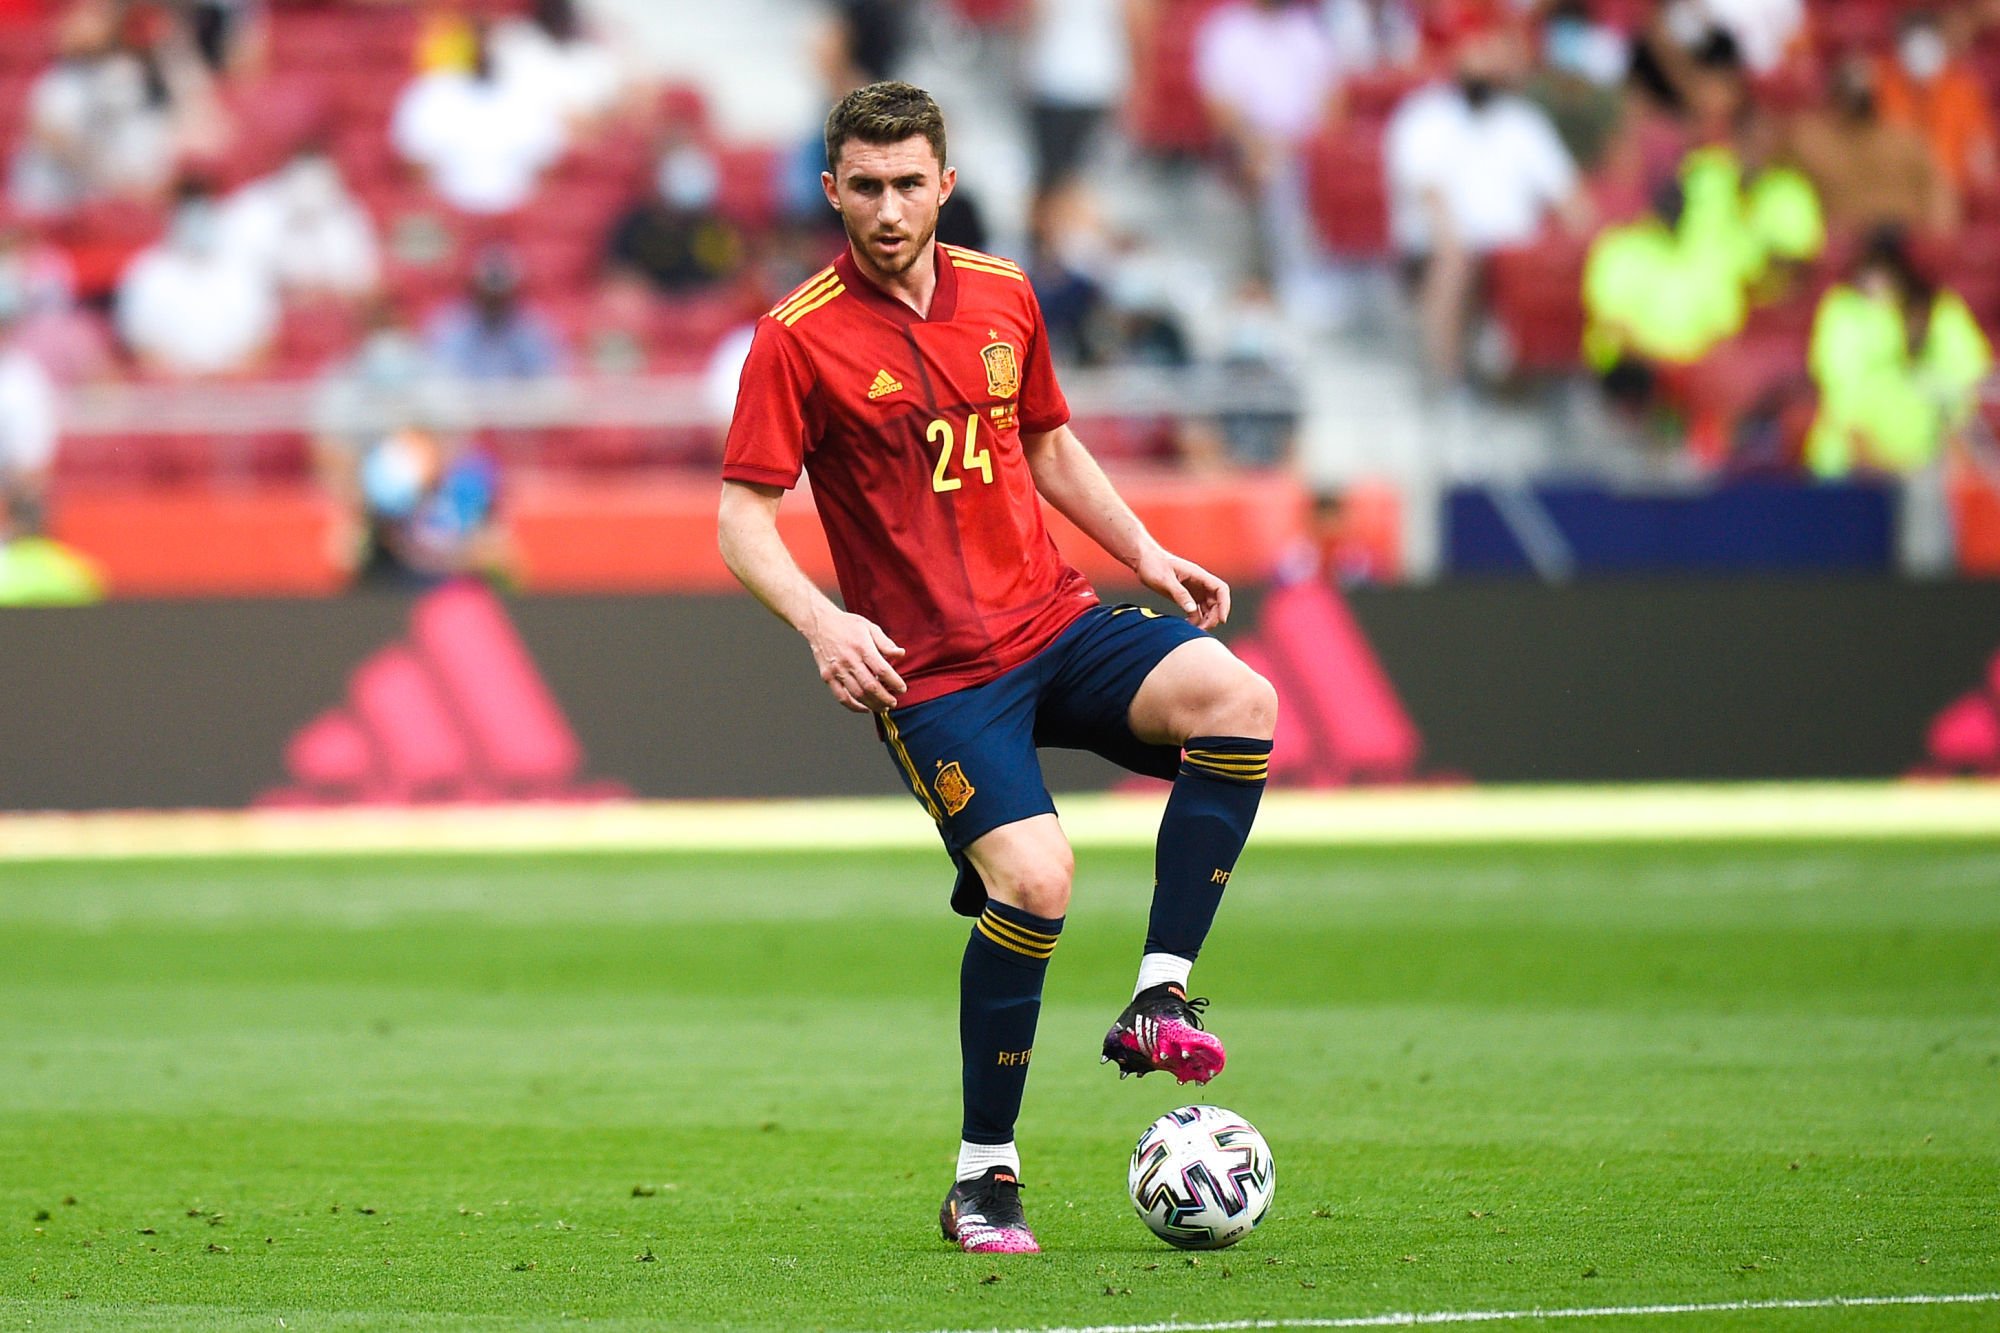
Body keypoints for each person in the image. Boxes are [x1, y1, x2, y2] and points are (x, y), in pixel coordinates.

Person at [716, 83, 1277, 1256]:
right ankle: (984, 1176)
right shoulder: (794, 337)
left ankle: (1158, 994)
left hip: (1053, 623)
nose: (886, 209)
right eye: (863, 187)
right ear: (831, 192)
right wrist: (823, 623)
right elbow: (741, 520)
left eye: (906, 184)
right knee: (1035, 878)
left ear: (944, 184)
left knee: (1239, 696)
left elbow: (1045, 443)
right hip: (933, 677)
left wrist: (1143, 552)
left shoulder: (1005, 293)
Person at [1385, 16, 1591, 383]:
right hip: (1442, 248)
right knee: (1456, 261)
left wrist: (1589, 245)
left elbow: (1570, 199)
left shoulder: (1524, 122)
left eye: (1494, 57)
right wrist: (1455, 242)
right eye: (1479, 53)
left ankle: (1551, 383)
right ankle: (1444, 380)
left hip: (1513, 252)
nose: (1487, 65)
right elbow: (1430, 195)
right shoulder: (1425, 115)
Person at [1805, 228, 1993, 479]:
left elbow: (1969, 369)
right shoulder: (1841, 308)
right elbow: (1836, 379)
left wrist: (1927, 382)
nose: (1877, 282)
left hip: (1925, 458)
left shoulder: (1935, 307)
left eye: (1886, 269)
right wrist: (1863, 445)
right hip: (1852, 461)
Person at [114, 176, 278, 376]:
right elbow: (140, 346)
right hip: (169, 389)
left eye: (203, 211)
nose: (197, 221)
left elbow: (262, 345)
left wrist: (221, 379)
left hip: (234, 388)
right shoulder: (147, 272)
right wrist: (185, 382)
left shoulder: (244, 271)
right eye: (189, 211)